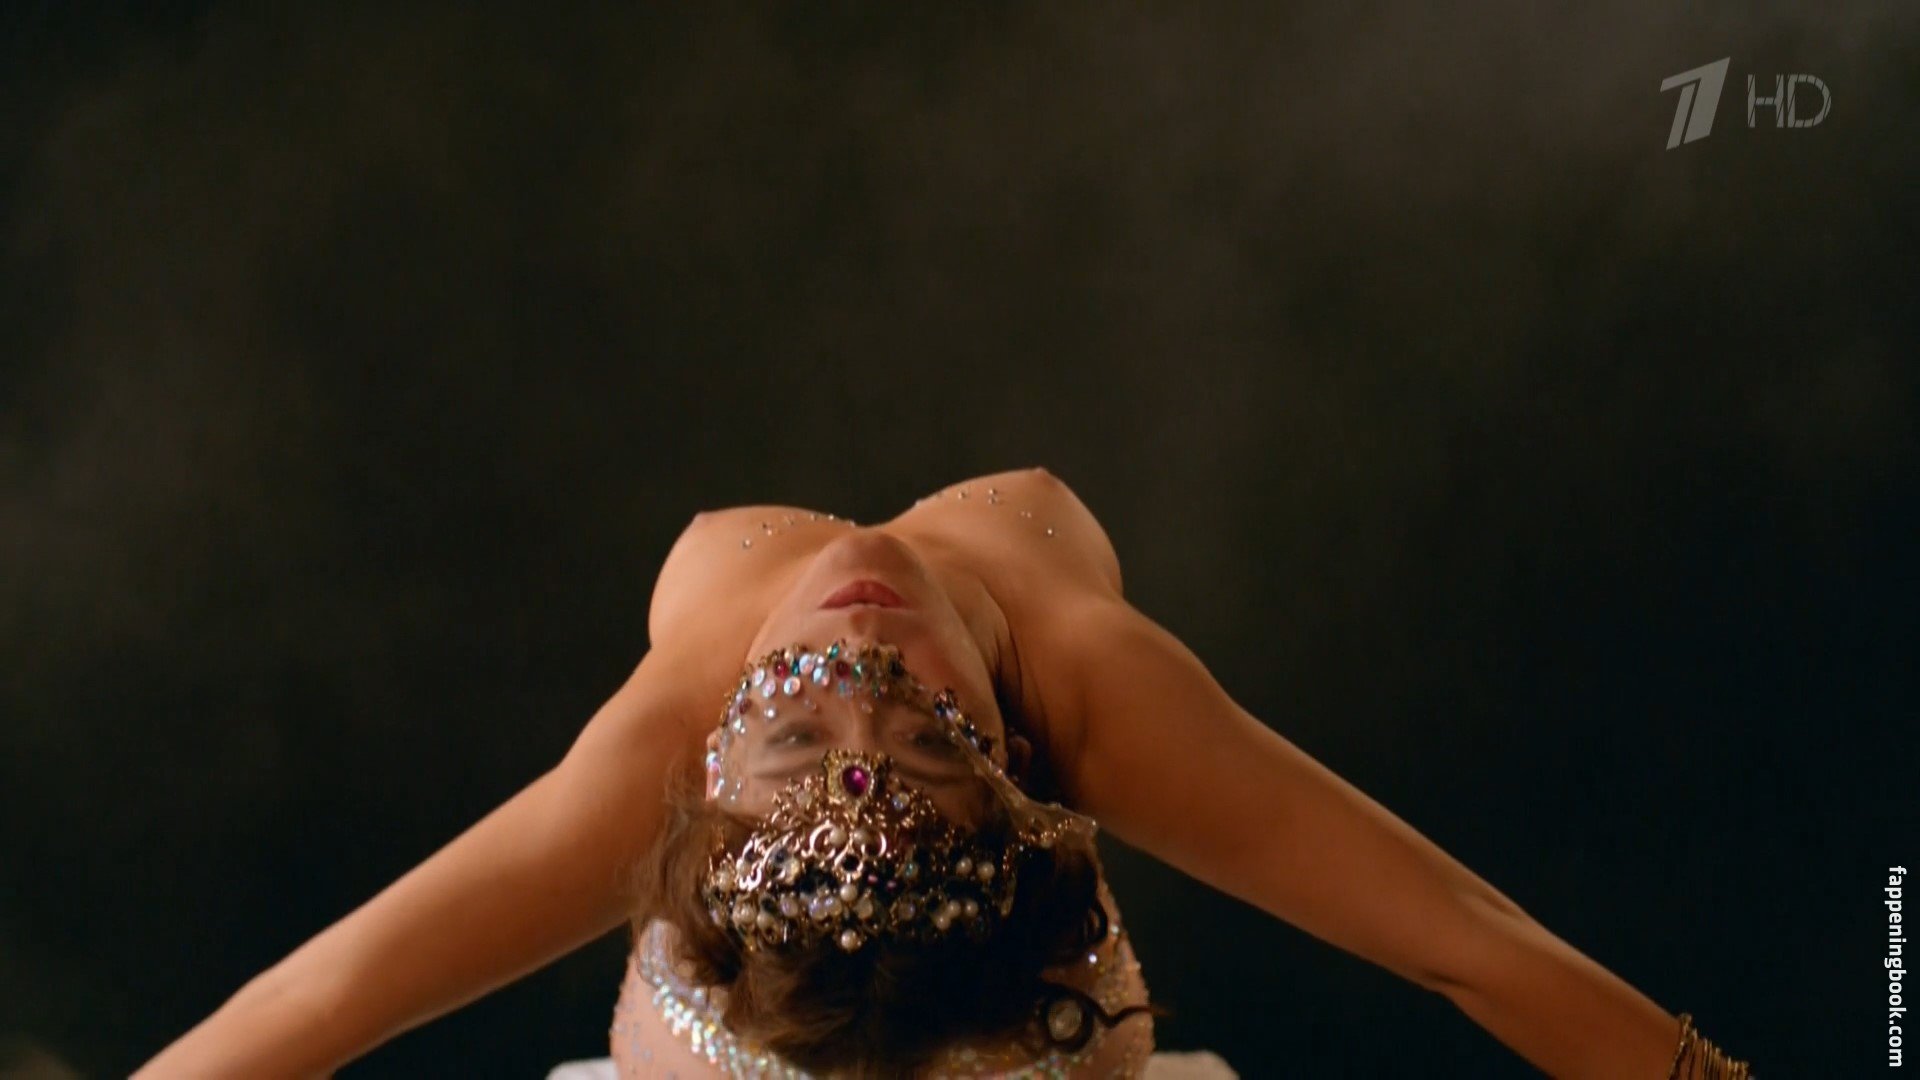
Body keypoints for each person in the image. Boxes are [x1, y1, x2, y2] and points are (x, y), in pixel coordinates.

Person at [135, 466, 1751, 1078]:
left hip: (975, 1008)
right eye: (924, 730)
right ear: (1017, 773)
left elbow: (1472, 949)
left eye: (805, 728)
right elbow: (313, 1011)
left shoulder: (677, 735)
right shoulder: (1090, 694)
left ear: (718, 769)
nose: (866, 655)